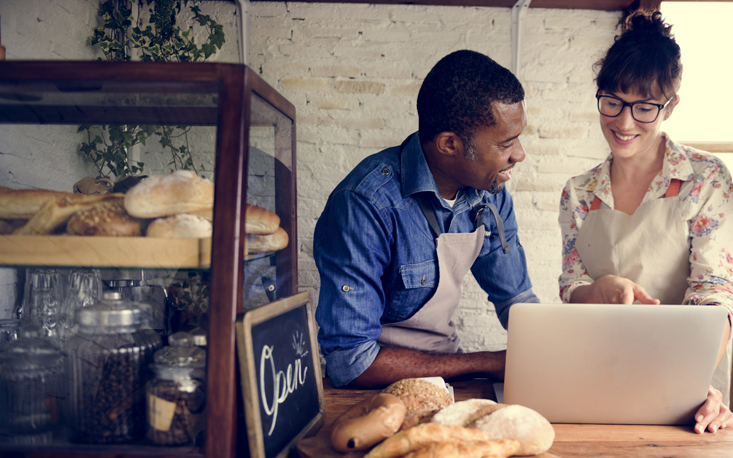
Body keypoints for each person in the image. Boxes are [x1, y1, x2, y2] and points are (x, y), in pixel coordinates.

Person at [313, 50, 539, 389]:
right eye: (506, 143)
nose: (519, 154)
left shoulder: (489, 192)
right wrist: (489, 363)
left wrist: (551, 352)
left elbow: (516, 300)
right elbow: (351, 362)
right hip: (376, 387)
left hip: (448, 372)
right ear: (449, 144)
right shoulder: (365, 205)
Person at [558, 10, 733, 434]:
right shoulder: (579, 192)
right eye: (613, 101)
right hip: (602, 371)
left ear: (670, 107)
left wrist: (688, 382)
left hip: (689, 385)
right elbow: (570, 287)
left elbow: (715, 294)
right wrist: (597, 291)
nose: (623, 121)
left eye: (644, 107)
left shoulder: (707, 179)